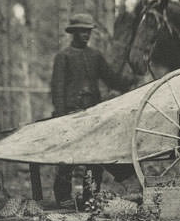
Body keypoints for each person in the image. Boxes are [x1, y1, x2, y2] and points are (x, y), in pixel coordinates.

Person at [50, 12, 131, 207]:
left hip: (93, 113)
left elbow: (110, 78)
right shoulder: (63, 57)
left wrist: (129, 83)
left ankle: (90, 196)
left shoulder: (95, 56)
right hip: (70, 113)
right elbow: (57, 88)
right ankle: (63, 197)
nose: (86, 35)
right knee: (67, 157)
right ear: (74, 33)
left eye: (88, 32)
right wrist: (61, 116)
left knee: (95, 157)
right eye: (82, 32)